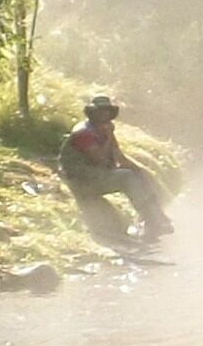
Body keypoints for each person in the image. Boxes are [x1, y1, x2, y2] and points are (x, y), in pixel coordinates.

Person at [59, 92, 171, 242]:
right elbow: (99, 158)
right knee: (126, 177)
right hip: (81, 181)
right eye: (100, 111)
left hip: (95, 177)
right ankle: (151, 220)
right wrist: (108, 137)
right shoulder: (84, 133)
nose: (104, 114)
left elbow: (119, 158)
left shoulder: (104, 130)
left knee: (137, 175)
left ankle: (155, 218)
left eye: (107, 111)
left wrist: (142, 171)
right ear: (92, 113)